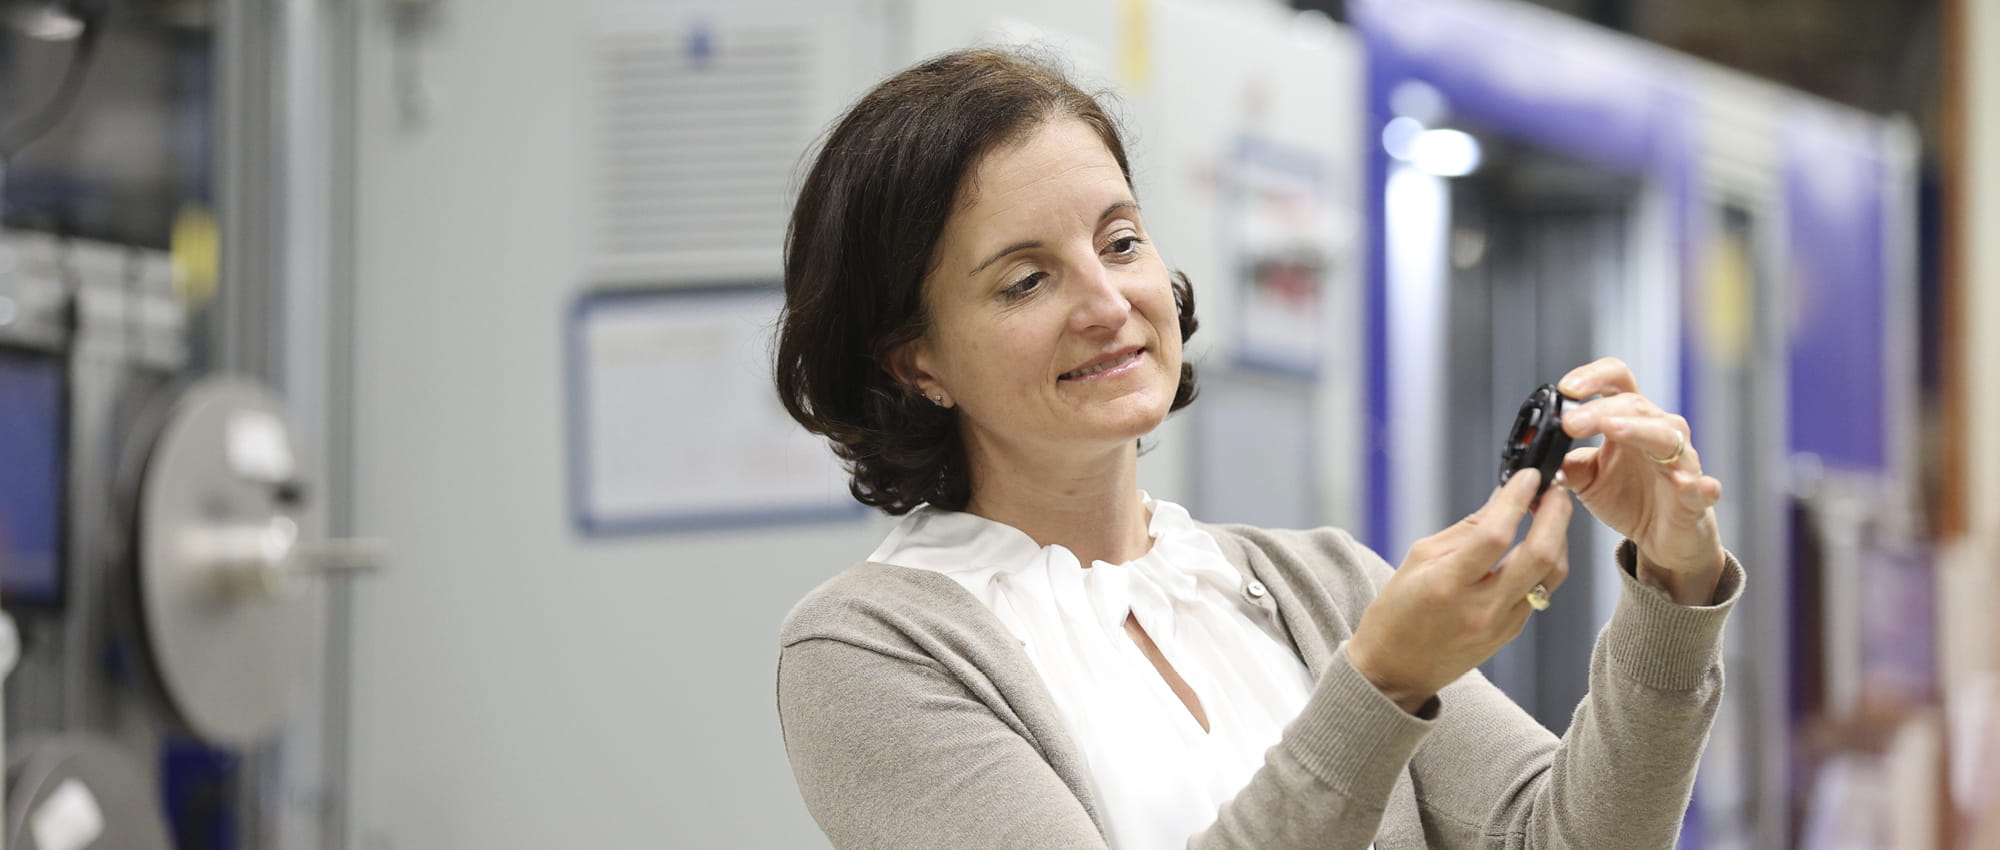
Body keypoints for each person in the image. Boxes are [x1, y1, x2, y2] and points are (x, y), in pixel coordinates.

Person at [773, 47, 1741, 849]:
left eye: (1119, 242)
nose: (1109, 305)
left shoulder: (1314, 583)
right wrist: (1376, 688)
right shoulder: (868, 649)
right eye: (1026, 280)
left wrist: (1669, 587)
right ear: (913, 362)